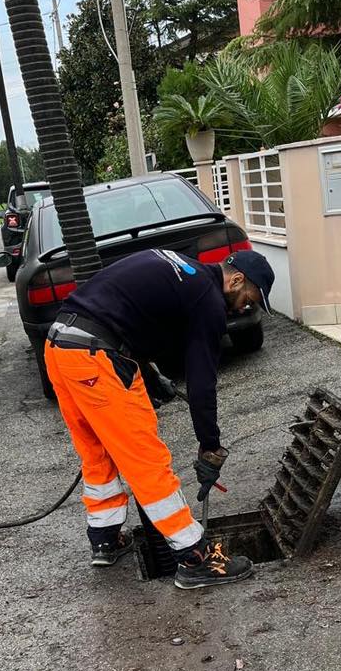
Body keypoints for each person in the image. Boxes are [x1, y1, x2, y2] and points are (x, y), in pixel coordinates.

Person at [43, 247, 276, 590]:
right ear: (237, 279)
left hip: (60, 347)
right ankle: (194, 557)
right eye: (250, 298)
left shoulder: (184, 268)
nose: (247, 306)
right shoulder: (207, 300)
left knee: (97, 452)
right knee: (145, 459)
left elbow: (130, 309)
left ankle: (105, 538)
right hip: (95, 359)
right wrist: (210, 446)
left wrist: (152, 377)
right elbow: (201, 383)